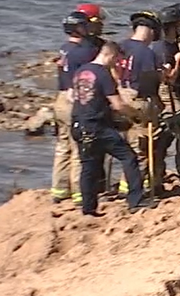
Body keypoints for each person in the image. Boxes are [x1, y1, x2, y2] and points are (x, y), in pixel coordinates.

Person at [70, 41, 152, 216]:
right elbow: (118, 104)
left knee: (88, 166)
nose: (116, 65)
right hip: (97, 127)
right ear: (111, 55)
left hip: (78, 124)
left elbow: (73, 97)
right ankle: (136, 200)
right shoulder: (102, 74)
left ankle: (88, 208)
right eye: (116, 61)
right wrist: (135, 114)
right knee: (128, 157)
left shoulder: (80, 71)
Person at [51, 11, 101, 204]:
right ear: (77, 28)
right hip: (74, 99)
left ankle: (59, 189)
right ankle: (79, 191)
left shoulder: (65, 48)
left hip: (60, 98)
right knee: (79, 148)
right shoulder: (82, 52)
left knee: (62, 146)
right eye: (85, 25)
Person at [116, 11, 165, 195]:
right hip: (138, 100)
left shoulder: (120, 46)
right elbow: (150, 83)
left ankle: (123, 184)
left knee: (124, 144)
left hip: (118, 96)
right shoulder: (146, 53)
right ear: (151, 31)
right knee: (143, 145)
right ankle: (134, 186)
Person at [151, 4, 180, 185]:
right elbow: (168, 78)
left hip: (171, 94)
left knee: (169, 137)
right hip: (167, 95)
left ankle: (162, 173)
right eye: (178, 26)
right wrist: (177, 63)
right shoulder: (163, 48)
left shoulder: (169, 44)